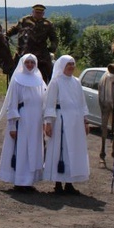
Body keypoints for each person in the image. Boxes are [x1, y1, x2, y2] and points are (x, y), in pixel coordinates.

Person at [0, 53, 48, 192]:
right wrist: (13, 125)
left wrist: (45, 121)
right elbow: (12, 104)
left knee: (34, 149)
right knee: (22, 149)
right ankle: (20, 181)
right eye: (27, 63)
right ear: (23, 64)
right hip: (23, 118)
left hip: (36, 120)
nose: (30, 65)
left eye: (32, 62)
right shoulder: (17, 80)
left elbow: (44, 101)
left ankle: (29, 181)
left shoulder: (39, 79)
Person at [43, 55, 91, 195]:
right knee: (60, 150)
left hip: (75, 122)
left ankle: (69, 183)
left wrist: (85, 121)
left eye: (73, 64)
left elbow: (82, 103)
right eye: (68, 64)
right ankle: (58, 183)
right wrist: (48, 123)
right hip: (60, 121)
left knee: (73, 151)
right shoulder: (56, 82)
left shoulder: (76, 82)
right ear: (62, 66)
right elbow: (50, 104)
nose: (71, 66)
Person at [6, 4, 57, 81]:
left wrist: (53, 46)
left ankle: (50, 86)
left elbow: (54, 38)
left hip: (41, 52)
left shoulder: (48, 24)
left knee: (50, 69)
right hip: (24, 51)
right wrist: (6, 35)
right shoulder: (25, 21)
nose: (38, 14)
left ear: (43, 14)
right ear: (32, 12)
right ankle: (12, 83)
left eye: (40, 13)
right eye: (36, 12)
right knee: (12, 68)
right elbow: (14, 29)